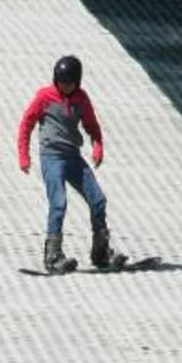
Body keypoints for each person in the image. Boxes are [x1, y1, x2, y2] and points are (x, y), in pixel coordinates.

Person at [17, 53, 115, 273]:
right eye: (60, 82)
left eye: (69, 83)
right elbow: (26, 123)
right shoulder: (44, 97)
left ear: (77, 81)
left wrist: (97, 148)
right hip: (51, 157)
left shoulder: (82, 99)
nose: (64, 86)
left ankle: (101, 249)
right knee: (58, 202)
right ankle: (53, 254)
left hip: (73, 157)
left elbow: (92, 126)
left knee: (98, 200)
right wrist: (24, 155)